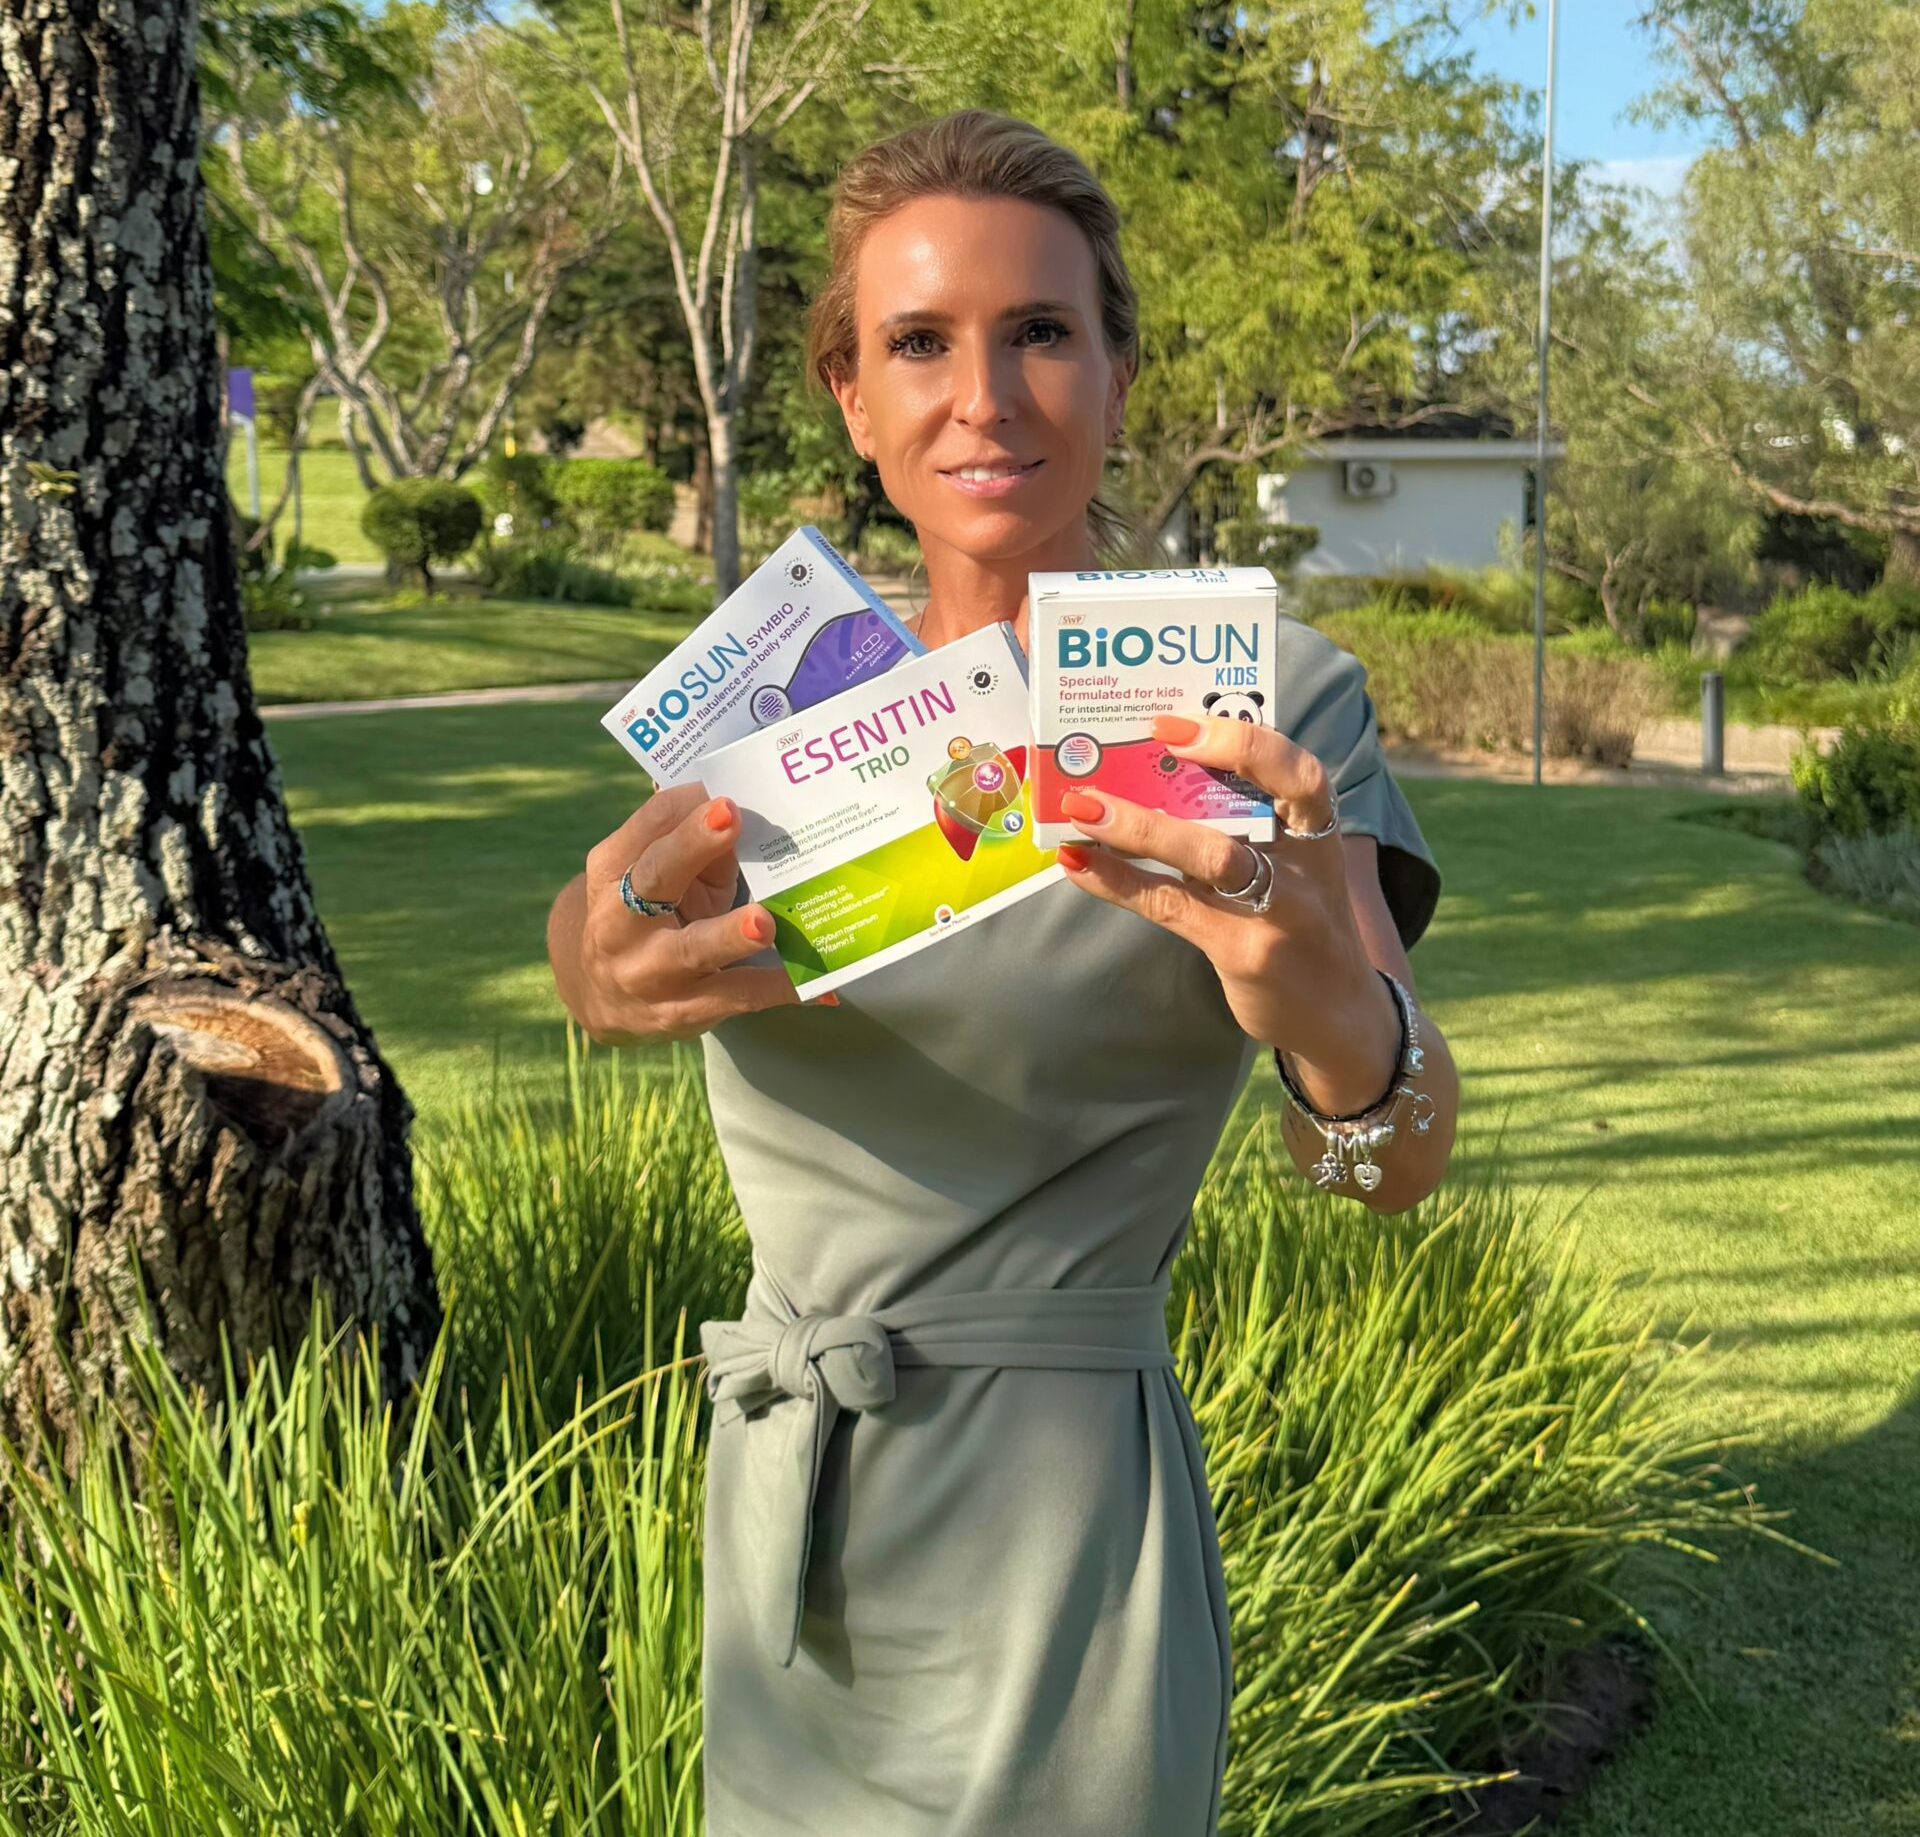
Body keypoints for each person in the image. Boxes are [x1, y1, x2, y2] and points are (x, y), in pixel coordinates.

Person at [546, 110, 1461, 1836]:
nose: (984, 395)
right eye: (920, 342)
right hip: (790, 1520)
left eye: (1041, 330)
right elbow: (597, 934)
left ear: (1117, 373)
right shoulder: (785, 704)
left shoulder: (1261, 709)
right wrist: (602, 971)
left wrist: (1329, 1019)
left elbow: (1394, 1166)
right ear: (851, 397)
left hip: (1064, 1548)